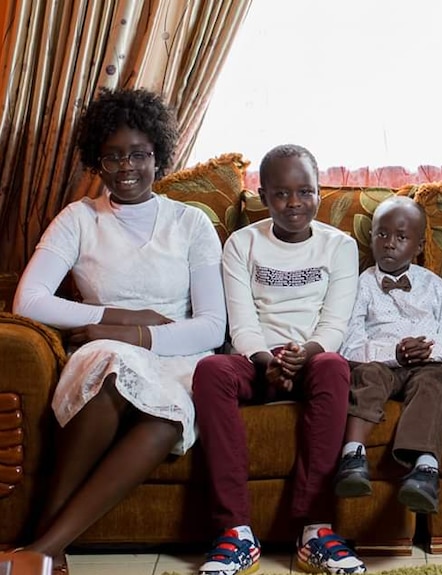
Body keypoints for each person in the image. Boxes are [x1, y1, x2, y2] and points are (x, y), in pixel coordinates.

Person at [12, 88, 226, 574]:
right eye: (112, 157)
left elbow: (212, 326)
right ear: (96, 162)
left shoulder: (191, 222)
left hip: (176, 354)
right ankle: (46, 550)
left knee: (166, 417)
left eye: (139, 154)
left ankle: (43, 546)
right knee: (112, 367)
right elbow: (28, 300)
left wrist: (143, 337)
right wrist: (120, 320)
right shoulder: (79, 218)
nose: (126, 167)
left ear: (159, 156)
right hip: (103, 345)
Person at [192, 144, 366, 575]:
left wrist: (304, 353)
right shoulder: (242, 244)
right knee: (211, 369)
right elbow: (242, 320)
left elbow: (335, 323)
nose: (294, 203)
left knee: (335, 366)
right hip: (256, 360)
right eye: (282, 194)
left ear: (319, 193)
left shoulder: (339, 246)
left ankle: (315, 531)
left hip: (312, 360)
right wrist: (267, 358)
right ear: (263, 197)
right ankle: (236, 534)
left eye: (305, 192)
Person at [335, 196, 442, 514]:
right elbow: (348, 343)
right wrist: (393, 353)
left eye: (401, 237)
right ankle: (352, 457)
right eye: (381, 234)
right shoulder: (361, 286)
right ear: (370, 238)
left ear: (419, 246)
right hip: (381, 362)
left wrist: (431, 350)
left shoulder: (435, 286)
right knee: (366, 375)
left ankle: (424, 470)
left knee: (433, 384)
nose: (389, 244)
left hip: (426, 364)